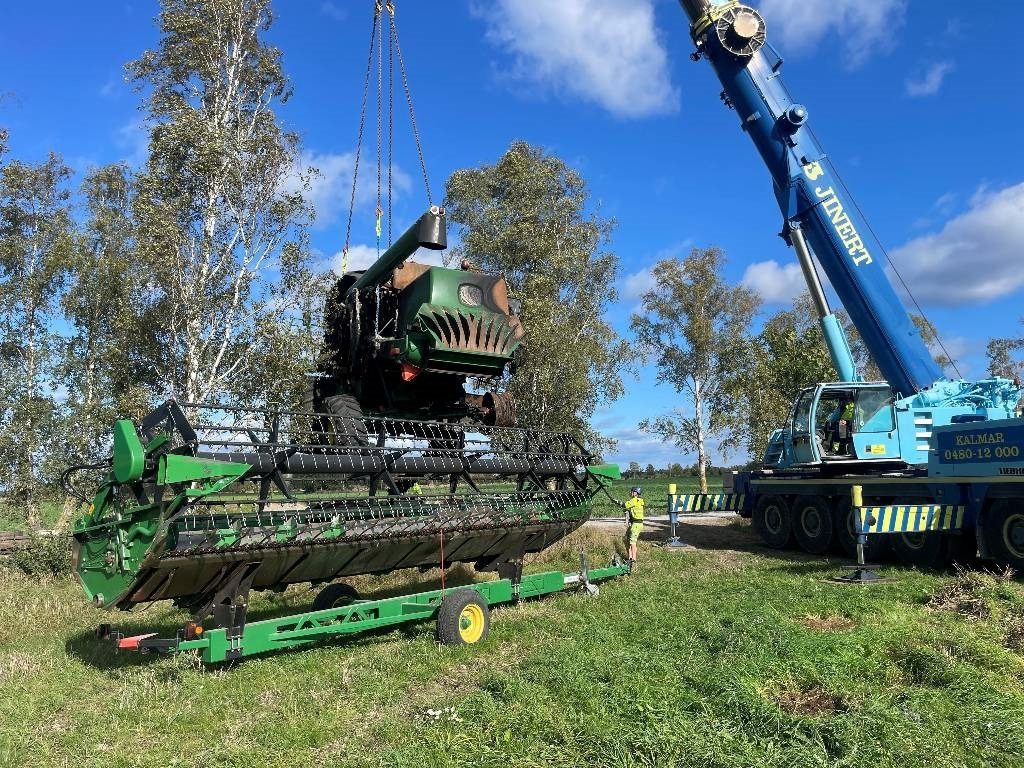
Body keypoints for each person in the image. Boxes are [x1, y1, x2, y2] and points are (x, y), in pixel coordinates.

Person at [619, 486, 645, 569]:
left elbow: (625, 505)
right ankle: (630, 558)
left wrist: (617, 502)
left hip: (636, 525)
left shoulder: (634, 500)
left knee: (633, 542)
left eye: (631, 491)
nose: (630, 493)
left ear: (635, 493)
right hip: (638, 524)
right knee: (629, 541)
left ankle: (633, 560)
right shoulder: (640, 501)